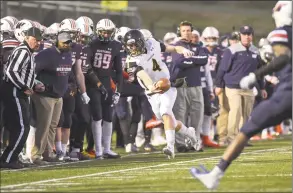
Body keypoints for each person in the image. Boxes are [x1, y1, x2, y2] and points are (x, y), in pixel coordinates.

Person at [190, 0, 292, 190]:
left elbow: (284, 57)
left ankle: (215, 174)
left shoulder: (281, 33)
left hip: (288, 92)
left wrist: (256, 75)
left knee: (245, 130)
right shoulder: (235, 50)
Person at [123, 29, 199, 159]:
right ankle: (190, 133)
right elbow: (141, 73)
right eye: (130, 45)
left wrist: (183, 50)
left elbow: (173, 48)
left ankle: (170, 147)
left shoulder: (153, 44)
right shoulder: (130, 60)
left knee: (165, 112)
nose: (133, 48)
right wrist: (151, 87)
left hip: (165, 84)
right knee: (168, 121)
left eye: (135, 44)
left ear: (142, 42)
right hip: (151, 92)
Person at [214, 25, 267, 145]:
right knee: (236, 110)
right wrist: (219, 85)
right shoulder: (231, 50)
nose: (247, 37)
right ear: (241, 36)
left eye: (249, 34)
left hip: (248, 88)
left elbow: (260, 71)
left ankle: (242, 138)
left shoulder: (255, 51)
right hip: (233, 86)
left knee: (246, 114)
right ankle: (232, 138)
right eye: (244, 34)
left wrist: (262, 87)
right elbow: (222, 69)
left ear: (252, 36)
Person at [0, 27, 43, 169]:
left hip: (19, 92)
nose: (38, 43)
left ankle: (10, 157)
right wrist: (24, 87)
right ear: (27, 37)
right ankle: (8, 159)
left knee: (19, 127)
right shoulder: (23, 51)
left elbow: (23, 73)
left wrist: (34, 84)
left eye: (39, 41)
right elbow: (11, 71)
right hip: (15, 92)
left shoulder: (27, 52)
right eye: (35, 40)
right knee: (22, 127)